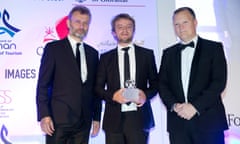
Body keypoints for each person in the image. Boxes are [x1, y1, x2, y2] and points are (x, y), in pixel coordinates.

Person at [158, 7, 228, 144]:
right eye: (176, 24)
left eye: (185, 22)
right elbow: (162, 84)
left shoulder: (214, 48)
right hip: (178, 124)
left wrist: (195, 106)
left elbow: (218, 82)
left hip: (209, 122)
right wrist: (174, 105)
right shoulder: (168, 53)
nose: (181, 28)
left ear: (195, 22)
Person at [36, 5, 101, 144]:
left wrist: (96, 117)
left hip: (84, 122)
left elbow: (95, 90)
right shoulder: (54, 49)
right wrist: (44, 115)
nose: (81, 26)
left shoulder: (93, 54)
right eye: (77, 21)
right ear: (68, 23)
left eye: (85, 23)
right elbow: (43, 85)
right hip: (58, 120)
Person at [95, 13, 158, 144]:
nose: (125, 30)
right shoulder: (105, 58)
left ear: (134, 30)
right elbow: (97, 88)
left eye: (129, 26)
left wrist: (145, 96)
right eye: (120, 27)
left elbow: (156, 84)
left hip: (139, 118)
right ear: (113, 32)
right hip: (114, 119)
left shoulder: (147, 55)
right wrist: (113, 96)